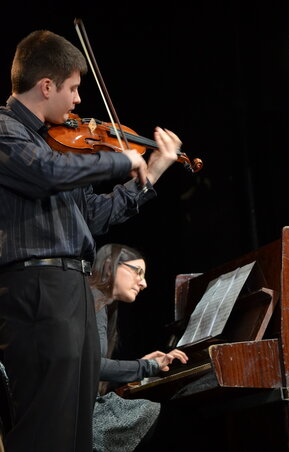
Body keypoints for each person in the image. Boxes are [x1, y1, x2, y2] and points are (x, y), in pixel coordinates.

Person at [0, 29, 182, 452]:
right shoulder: (6, 130)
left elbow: (96, 217)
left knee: (77, 431)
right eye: (74, 88)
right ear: (47, 86)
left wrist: (151, 171)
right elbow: (45, 173)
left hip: (72, 290)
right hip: (37, 290)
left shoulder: (59, 146)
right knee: (46, 427)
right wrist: (118, 158)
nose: (80, 101)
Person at [89, 243, 189, 452]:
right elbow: (94, 367)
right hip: (78, 416)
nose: (144, 283)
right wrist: (146, 366)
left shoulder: (101, 305)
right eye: (139, 273)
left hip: (82, 410)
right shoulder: (94, 301)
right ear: (110, 266)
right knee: (166, 415)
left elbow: (91, 373)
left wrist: (138, 367)